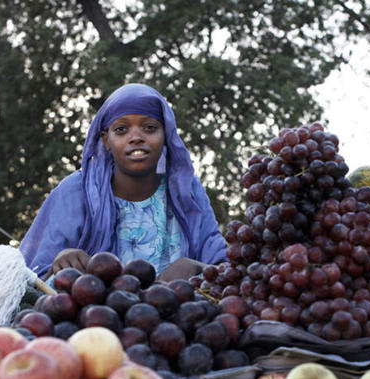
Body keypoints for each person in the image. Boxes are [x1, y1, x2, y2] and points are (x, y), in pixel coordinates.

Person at [20, 83, 227, 281]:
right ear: (105, 139)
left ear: (165, 134)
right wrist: (63, 263)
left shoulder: (185, 188)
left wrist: (198, 267)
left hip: (177, 314)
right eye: (121, 129)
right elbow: (33, 278)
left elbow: (224, 268)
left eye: (149, 127)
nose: (136, 137)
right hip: (94, 316)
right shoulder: (76, 191)